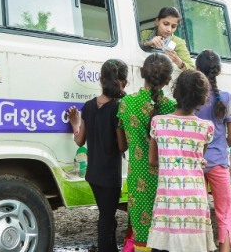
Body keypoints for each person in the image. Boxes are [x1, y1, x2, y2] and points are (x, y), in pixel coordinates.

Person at [147, 70, 216, 252]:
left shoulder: (158, 123)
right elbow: (199, 160)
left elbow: (153, 160)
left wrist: (172, 162)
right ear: (202, 98)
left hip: (167, 202)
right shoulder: (206, 127)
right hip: (195, 201)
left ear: (175, 91)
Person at [117, 52, 176, 251]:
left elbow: (122, 143)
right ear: (168, 80)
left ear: (142, 73)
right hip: (166, 179)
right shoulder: (172, 107)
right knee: (165, 232)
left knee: (142, 234)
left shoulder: (126, 104)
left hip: (138, 177)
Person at [68, 59, 128, 252]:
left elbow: (79, 141)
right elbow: (122, 145)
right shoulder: (118, 108)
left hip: (93, 175)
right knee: (106, 219)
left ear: (101, 79)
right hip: (110, 176)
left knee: (107, 215)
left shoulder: (88, 106)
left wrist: (75, 124)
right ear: (123, 82)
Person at [195, 50, 231, 252]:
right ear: (219, 71)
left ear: (196, 70)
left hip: (196, 163)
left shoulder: (193, 99)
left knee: (200, 211)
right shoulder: (227, 98)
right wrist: (222, 148)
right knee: (224, 211)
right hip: (219, 162)